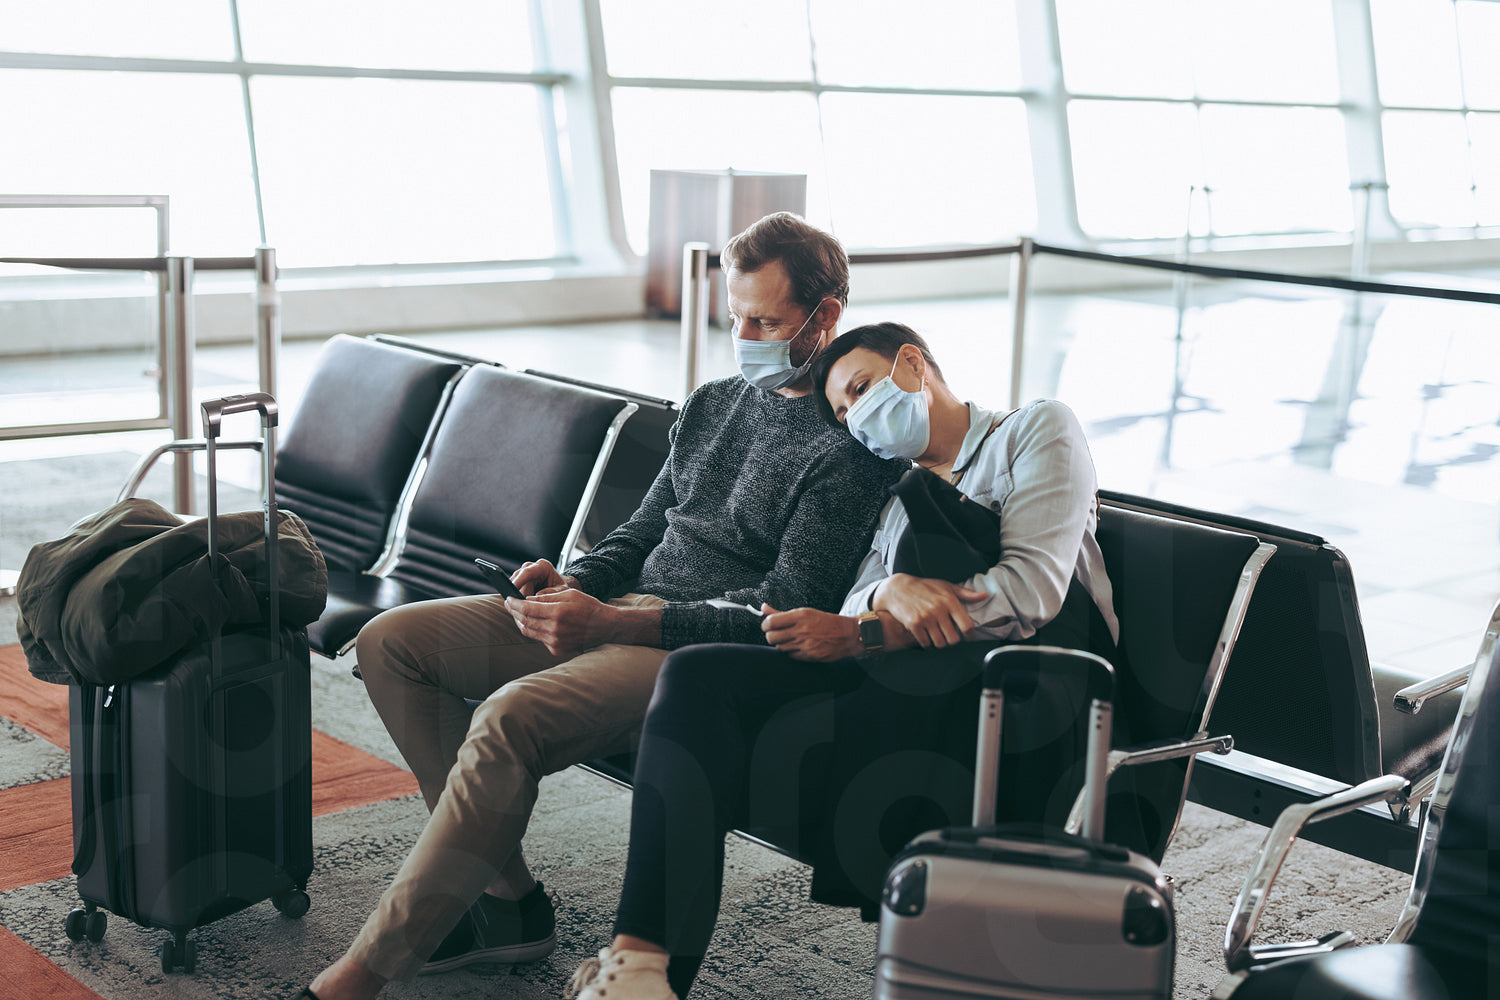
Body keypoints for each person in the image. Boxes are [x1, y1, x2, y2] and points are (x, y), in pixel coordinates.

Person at [301, 214, 904, 1000]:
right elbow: (643, 530)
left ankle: (364, 971)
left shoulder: (849, 447)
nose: (744, 337)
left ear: (825, 315)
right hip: (617, 611)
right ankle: (507, 898)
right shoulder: (715, 402)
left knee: (509, 718)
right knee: (392, 643)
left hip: (691, 656)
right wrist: (575, 583)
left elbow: (783, 609)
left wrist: (617, 621)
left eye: (765, 321)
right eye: (735, 317)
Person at [563, 322, 1120, 1000]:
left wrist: (871, 631)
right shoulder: (897, 485)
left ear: (912, 363)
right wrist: (889, 592)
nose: (857, 417)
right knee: (697, 673)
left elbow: (1030, 593)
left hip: (1016, 686)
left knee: (721, 715)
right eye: (844, 411)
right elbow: (857, 595)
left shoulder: (1032, 431)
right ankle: (642, 968)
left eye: (860, 389)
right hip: (899, 677)